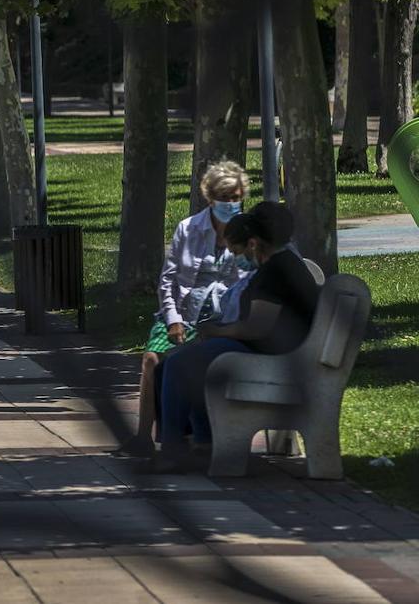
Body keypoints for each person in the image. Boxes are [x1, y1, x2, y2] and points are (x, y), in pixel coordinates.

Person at [150, 201, 320, 472]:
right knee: (177, 362)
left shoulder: (276, 270)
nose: (236, 257)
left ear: (254, 243)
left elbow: (256, 328)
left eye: (237, 251)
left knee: (180, 365)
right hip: (277, 351)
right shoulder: (280, 264)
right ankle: (202, 442)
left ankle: (173, 451)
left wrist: (215, 331)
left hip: (276, 358)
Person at [118, 161, 251, 456]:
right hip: (185, 313)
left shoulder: (248, 233)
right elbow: (168, 281)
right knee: (152, 357)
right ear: (209, 197)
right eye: (224, 197)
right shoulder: (188, 229)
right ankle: (143, 437)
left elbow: (249, 279)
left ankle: (191, 435)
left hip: (223, 318)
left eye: (235, 197)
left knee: (190, 361)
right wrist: (173, 319)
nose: (230, 203)